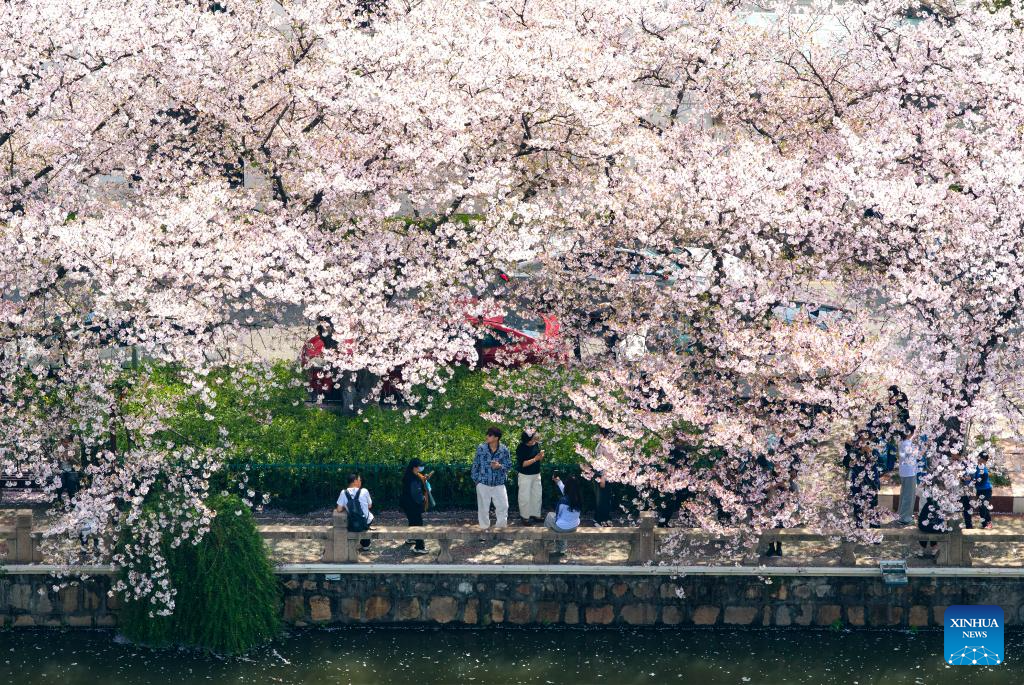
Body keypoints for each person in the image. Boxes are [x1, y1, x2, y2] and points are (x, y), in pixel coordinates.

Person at [471, 426, 512, 535]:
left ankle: (500, 530)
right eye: (487, 434)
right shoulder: (481, 448)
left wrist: (499, 466)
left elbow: (509, 465)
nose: (487, 436)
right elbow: (475, 464)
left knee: (503, 506)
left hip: (499, 483)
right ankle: (484, 530)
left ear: (496, 438)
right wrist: (476, 481)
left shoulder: (504, 449)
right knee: (483, 509)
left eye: (490, 435)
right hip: (483, 483)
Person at [399, 458, 431, 554]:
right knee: (418, 524)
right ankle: (419, 547)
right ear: (414, 467)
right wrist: (423, 498)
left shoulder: (409, 475)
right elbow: (416, 493)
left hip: (407, 504)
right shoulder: (413, 478)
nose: (421, 468)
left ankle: (411, 538)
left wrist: (424, 479)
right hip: (413, 505)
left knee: (412, 521)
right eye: (420, 466)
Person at [545, 473, 581, 554]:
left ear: (567, 486)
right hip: (574, 526)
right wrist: (559, 481)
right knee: (562, 522)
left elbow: (557, 515)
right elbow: (567, 492)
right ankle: (561, 549)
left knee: (550, 516)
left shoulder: (563, 500)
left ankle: (549, 542)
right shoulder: (579, 498)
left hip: (563, 527)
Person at [335, 472, 373, 551]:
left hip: (353, 523)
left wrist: (347, 506)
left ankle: (355, 545)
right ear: (355, 481)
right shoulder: (364, 491)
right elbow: (370, 506)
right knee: (367, 518)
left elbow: (339, 509)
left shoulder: (344, 492)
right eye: (359, 480)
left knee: (354, 521)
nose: (360, 482)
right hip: (365, 522)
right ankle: (365, 546)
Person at [516, 428, 544, 525]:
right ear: (527, 440)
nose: (534, 441)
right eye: (532, 439)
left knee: (537, 496)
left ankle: (536, 515)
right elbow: (523, 464)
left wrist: (540, 457)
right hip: (525, 475)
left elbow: (537, 457)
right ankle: (525, 517)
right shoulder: (521, 448)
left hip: (536, 474)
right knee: (524, 497)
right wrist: (535, 459)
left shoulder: (536, 444)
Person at [963, 452, 993, 529]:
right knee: (982, 507)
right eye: (978, 458)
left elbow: (980, 482)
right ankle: (986, 524)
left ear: (985, 461)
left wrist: (971, 479)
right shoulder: (976, 467)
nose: (979, 460)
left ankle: (987, 524)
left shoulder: (984, 471)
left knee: (983, 507)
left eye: (981, 459)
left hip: (986, 490)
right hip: (979, 491)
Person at [896, 424, 918, 525]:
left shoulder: (902, 442)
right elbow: (916, 455)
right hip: (909, 472)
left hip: (904, 472)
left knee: (904, 494)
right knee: (909, 496)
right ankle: (905, 518)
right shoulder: (908, 444)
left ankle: (902, 515)